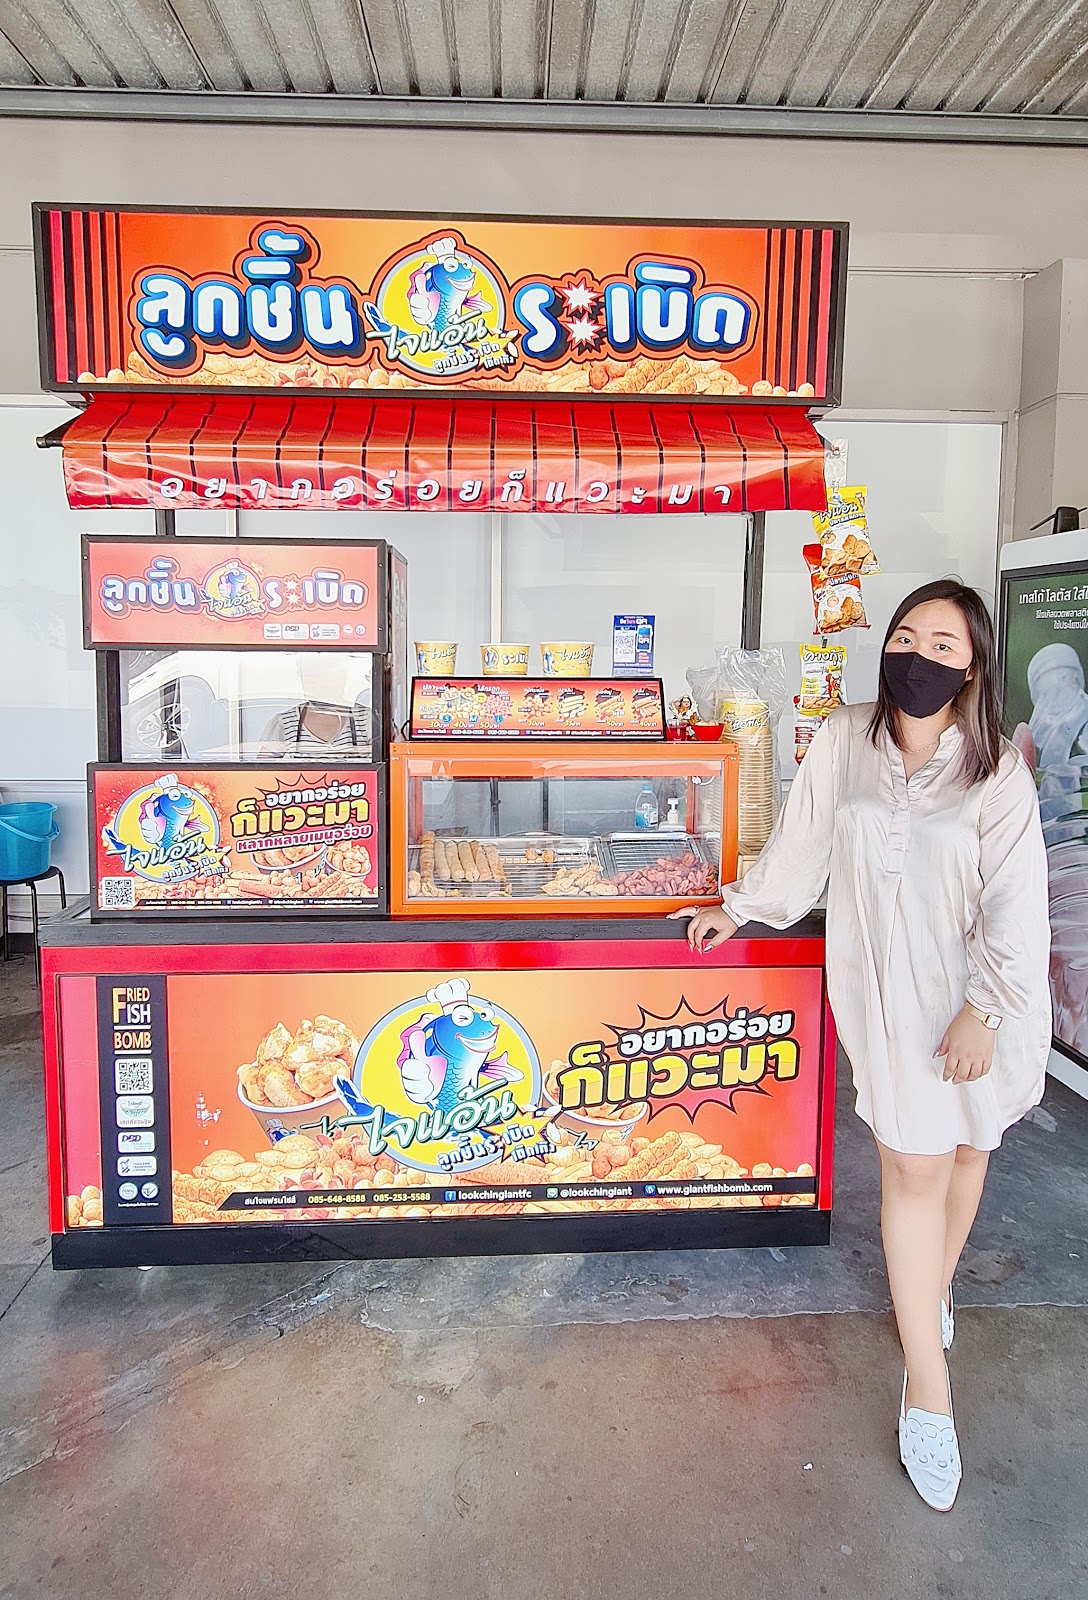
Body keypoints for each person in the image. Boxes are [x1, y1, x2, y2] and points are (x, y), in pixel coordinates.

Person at [671, 579, 1051, 1512]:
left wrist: (989, 1011)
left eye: (944, 648)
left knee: (970, 1151)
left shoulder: (997, 766)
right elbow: (803, 846)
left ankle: (933, 1300)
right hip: (887, 997)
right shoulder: (845, 737)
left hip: (975, 1002)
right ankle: (930, 1390)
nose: (918, 659)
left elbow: (1016, 900)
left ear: (974, 669)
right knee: (913, 1169)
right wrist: (743, 908)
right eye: (906, 637)